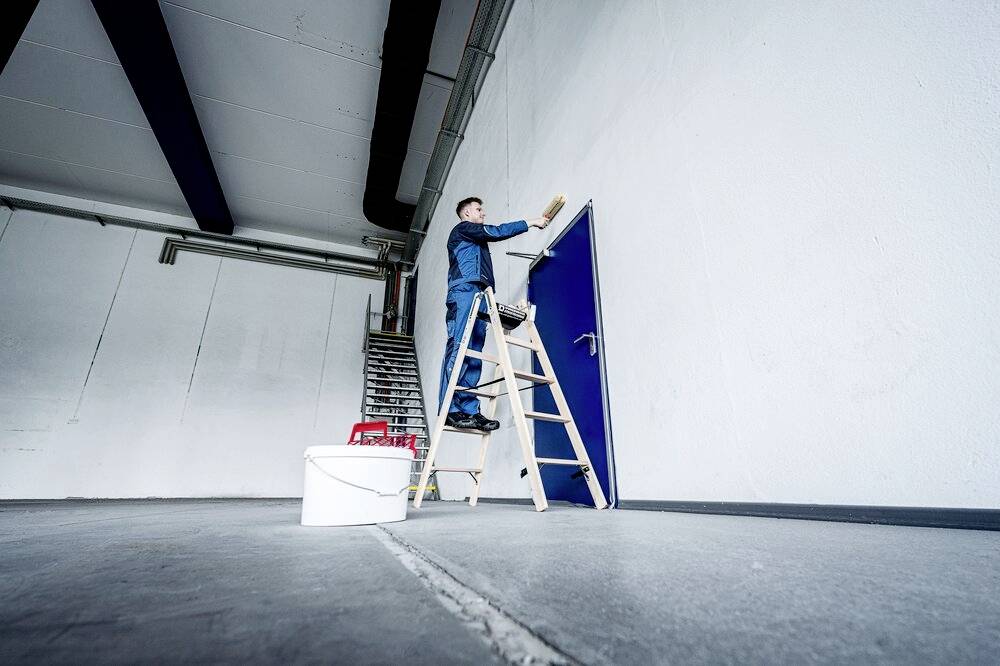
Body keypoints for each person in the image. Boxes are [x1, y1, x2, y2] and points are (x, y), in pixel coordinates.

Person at [438, 197, 550, 431]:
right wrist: (532, 222)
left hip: (481, 293)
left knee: (474, 353)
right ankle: (450, 410)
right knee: (458, 347)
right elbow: (496, 231)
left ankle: (470, 410)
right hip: (464, 291)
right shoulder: (463, 229)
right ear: (466, 213)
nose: (483, 213)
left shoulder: (474, 238)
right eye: (478, 209)